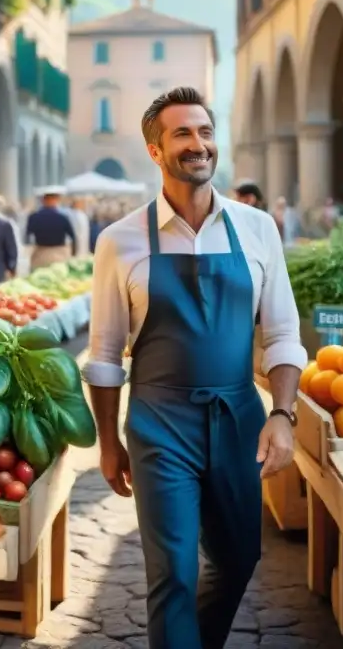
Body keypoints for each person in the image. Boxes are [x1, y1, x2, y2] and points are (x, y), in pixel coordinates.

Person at [84, 87, 306, 648]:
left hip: (237, 416)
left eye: (205, 132)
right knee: (173, 574)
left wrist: (282, 412)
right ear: (155, 151)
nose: (198, 144)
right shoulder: (120, 240)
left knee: (238, 559)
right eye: (182, 133)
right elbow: (106, 354)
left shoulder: (257, 229)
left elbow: (282, 333)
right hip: (159, 423)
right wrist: (108, 443)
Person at [26, 187, 76, 270]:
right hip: (59, 254)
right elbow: (73, 237)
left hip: (40, 254)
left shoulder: (33, 217)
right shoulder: (62, 218)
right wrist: (73, 253)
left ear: (43, 200)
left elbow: (27, 236)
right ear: (56, 200)